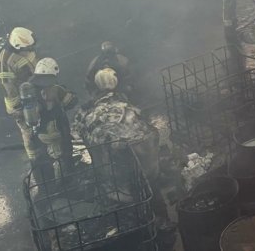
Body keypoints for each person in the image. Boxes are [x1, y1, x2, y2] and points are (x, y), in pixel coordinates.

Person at [74, 68, 174, 232]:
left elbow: (83, 133)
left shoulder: (87, 112)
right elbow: (149, 132)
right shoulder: (129, 107)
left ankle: (142, 229)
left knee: (129, 205)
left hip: (115, 176)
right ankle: (163, 223)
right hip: (142, 164)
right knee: (151, 191)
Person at [25, 57, 76, 173]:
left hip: (39, 132)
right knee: (60, 156)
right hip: (54, 130)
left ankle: (48, 177)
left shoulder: (30, 89)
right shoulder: (54, 88)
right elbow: (71, 102)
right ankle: (64, 181)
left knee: (46, 156)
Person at [0, 27, 39, 158]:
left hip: (33, 93)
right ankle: (37, 164)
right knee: (30, 135)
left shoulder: (23, 49)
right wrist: (20, 109)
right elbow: (9, 89)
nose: (30, 50)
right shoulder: (3, 62)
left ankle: (50, 157)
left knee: (43, 129)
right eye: (27, 48)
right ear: (17, 46)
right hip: (20, 104)